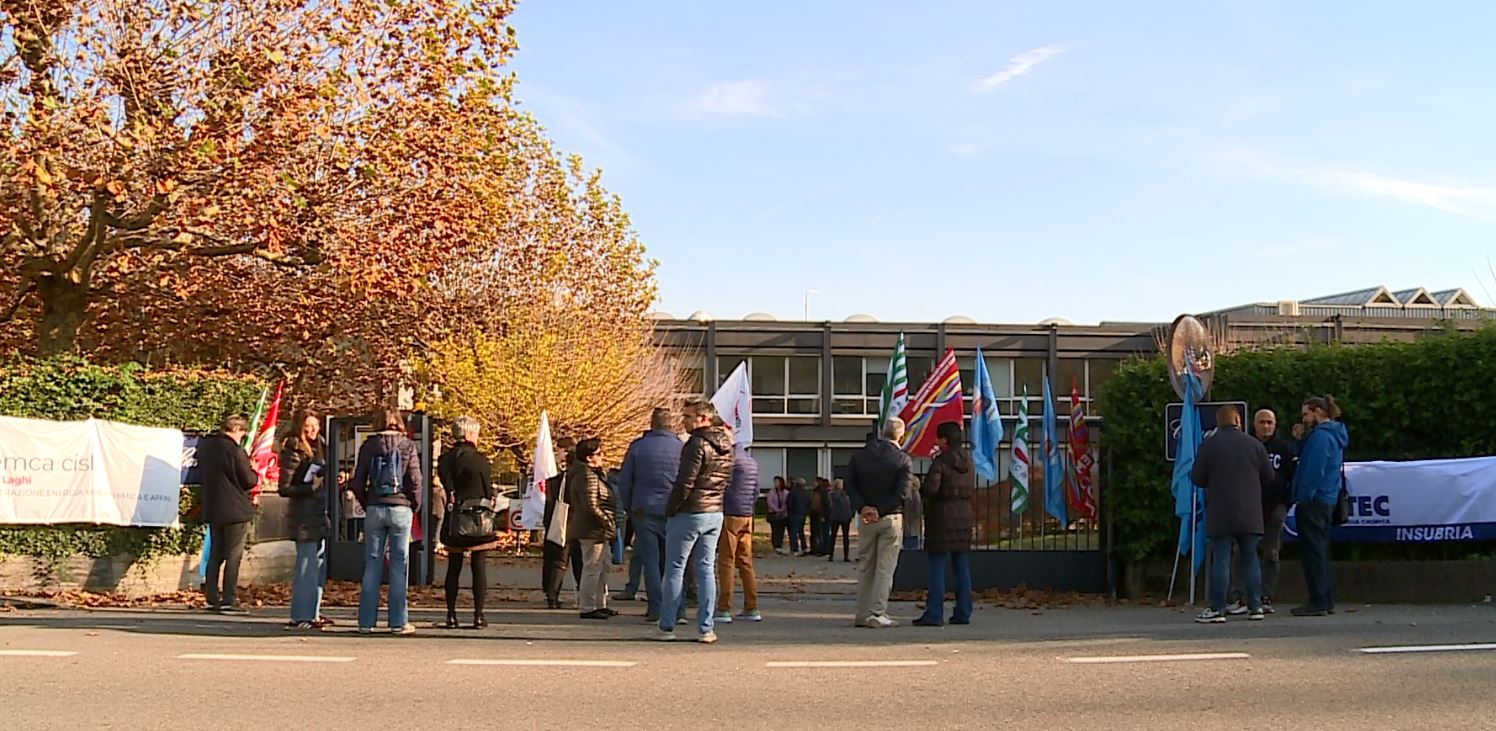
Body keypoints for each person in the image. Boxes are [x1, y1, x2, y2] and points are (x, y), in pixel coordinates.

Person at [1190, 405, 1276, 624]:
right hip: (1250, 512)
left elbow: (1197, 477)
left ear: (1218, 422)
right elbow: (1269, 477)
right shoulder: (1254, 444)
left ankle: (1218, 609)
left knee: (1221, 559)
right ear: (1238, 420)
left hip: (1221, 512)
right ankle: (1256, 606)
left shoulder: (1209, 445)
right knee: (1250, 558)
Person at [656, 399, 732, 644]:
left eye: (688, 416)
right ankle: (706, 628)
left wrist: (671, 509)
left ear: (703, 418)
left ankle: (667, 625)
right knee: (706, 569)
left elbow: (685, 482)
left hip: (690, 512)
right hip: (714, 512)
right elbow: (727, 480)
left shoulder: (695, 444)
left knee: (675, 568)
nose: (684, 421)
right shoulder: (727, 445)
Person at [350, 409, 423, 636]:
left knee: (372, 563)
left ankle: (366, 622)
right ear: (398, 423)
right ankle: (398, 622)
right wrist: (413, 505)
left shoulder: (368, 446)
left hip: (375, 508)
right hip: (401, 508)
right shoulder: (407, 445)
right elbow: (415, 480)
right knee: (399, 564)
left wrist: (368, 502)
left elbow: (357, 481)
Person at [1226, 409, 1298, 615]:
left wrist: (1286, 502)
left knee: (1271, 553)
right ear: (1254, 424)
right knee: (1240, 552)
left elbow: (1293, 476)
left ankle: (1265, 597)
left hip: (1275, 507)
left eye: (1269, 422)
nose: (1266, 426)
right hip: (1249, 506)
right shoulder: (1245, 445)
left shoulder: (1284, 448)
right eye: (1262, 422)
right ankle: (1239, 597)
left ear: (1275, 425)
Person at [845, 417, 914, 628]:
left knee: (866, 565)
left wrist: (863, 507)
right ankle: (877, 612)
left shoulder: (860, 456)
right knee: (885, 568)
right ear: (901, 435)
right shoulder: (902, 460)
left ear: (882, 432)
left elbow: (850, 485)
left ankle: (862, 612)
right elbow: (903, 493)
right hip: (890, 516)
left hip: (866, 518)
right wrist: (880, 510)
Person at [615, 408, 682, 621]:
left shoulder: (638, 447)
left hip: (643, 509)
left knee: (650, 560)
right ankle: (676, 608)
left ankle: (656, 608)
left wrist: (629, 506)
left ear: (652, 423)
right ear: (671, 424)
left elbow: (625, 481)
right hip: (673, 510)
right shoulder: (681, 448)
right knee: (673, 561)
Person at [1292, 395, 1349, 618]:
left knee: (1313, 553)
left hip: (1314, 501)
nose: (1304, 420)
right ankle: (1325, 598)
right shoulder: (1332, 435)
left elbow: (1314, 470)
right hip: (1327, 499)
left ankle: (1317, 600)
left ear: (1318, 412)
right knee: (1320, 551)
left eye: (1306, 414)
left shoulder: (1321, 437)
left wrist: (1303, 496)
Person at [914, 422, 976, 627]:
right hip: (964, 515)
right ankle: (964, 611)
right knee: (962, 566)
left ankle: (934, 612)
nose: (936, 441)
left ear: (945, 440)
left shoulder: (941, 462)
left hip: (941, 517)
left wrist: (921, 488)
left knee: (937, 567)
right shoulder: (969, 461)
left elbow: (932, 489)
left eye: (939, 438)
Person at [438, 416, 497, 630]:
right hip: (477, 519)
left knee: (453, 567)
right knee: (478, 567)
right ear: (470, 434)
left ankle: (451, 615)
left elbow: (446, 484)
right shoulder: (480, 460)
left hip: (455, 519)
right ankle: (478, 615)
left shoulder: (445, 459)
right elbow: (488, 489)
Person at [198, 414, 259, 615]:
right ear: (236, 430)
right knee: (234, 556)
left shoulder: (206, 448)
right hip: (236, 510)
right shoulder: (235, 451)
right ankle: (229, 599)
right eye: (242, 433)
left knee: (216, 554)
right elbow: (249, 480)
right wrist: (255, 471)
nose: (242, 437)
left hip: (214, 508)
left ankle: (212, 597)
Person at [279, 410, 332, 630]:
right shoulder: (293, 450)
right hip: (303, 516)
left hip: (318, 512)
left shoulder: (321, 446)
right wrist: (311, 487)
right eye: (307, 426)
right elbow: (284, 488)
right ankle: (300, 615)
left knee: (318, 566)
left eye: (315, 425)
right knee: (306, 566)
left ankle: (313, 612)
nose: (312, 430)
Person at [568, 438, 617, 620]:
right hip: (591, 528)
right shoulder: (586, 475)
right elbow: (590, 505)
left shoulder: (593, 474)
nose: (602, 456)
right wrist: (607, 521)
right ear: (589, 458)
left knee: (603, 567)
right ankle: (588, 606)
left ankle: (600, 603)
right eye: (599, 454)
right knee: (592, 566)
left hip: (597, 528)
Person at [715, 439, 761, 624]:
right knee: (745, 561)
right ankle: (752, 606)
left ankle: (724, 607)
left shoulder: (729, 460)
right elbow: (756, 491)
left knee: (726, 561)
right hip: (747, 514)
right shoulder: (751, 461)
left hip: (730, 513)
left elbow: (721, 486)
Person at [541, 436, 577, 609]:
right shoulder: (574, 476)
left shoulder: (561, 478)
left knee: (558, 558)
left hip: (559, 519)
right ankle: (554, 594)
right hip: (569, 521)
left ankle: (551, 593)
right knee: (567, 558)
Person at [827, 478, 854, 562]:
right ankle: (831, 554)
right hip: (836, 517)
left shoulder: (846, 494)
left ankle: (846, 555)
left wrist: (850, 514)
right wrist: (838, 490)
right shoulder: (832, 493)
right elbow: (836, 498)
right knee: (833, 536)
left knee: (846, 537)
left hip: (846, 517)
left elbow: (850, 503)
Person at [766, 476, 790, 555]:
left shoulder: (785, 492)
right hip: (773, 514)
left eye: (777, 482)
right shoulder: (772, 492)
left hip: (783, 514)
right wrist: (776, 510)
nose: (775, 483)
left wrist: (782, 510)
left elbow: (786, 502)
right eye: (775, 482)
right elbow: (770, 502)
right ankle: (775, 545)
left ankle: (779, 544)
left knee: (781, 530)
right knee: (775, 530)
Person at [787, 477, 810, 556]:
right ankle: (804, 547)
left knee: (793, 532)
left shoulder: (793, 492)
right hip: (802, 514)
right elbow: (808, 503)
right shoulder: (805, 493)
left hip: (794, 514)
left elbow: (789, 503)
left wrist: (790, 511)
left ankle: (794, 548)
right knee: (801, 532)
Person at [809, 478, 831, 556]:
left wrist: (823, 515)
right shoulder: (815, 492)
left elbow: (825, 505)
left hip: (820, 514)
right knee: (815, 532)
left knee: (822, 532)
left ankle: (823, 549)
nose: (814, 483)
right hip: (814, 514)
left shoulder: (823, 492)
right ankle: (815, 548)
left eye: (816, 482)